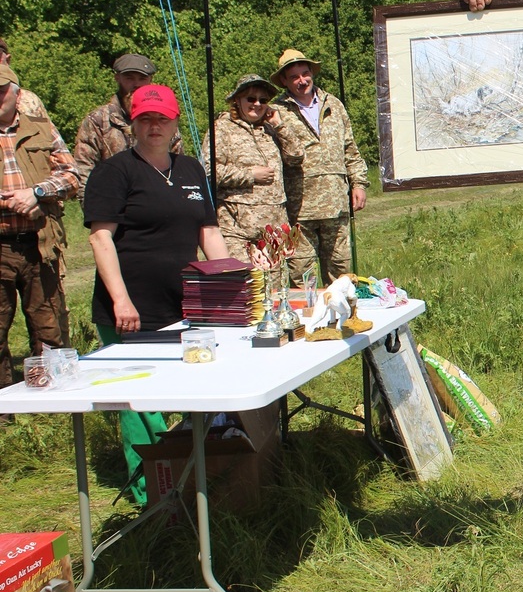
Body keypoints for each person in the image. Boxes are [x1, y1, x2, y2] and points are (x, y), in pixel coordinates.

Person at [83, 83, 229, 505]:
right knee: (139, 403)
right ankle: (151, 492)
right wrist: (120, 300)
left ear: (174, 123)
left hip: (184, 307)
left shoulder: (190, 171)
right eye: (145, 119)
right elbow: (100, 240)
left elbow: (210, 233)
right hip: (131, 310)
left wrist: (227, 286)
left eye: (161, 119)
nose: (153, 127)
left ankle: (196, 475)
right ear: (132, 123)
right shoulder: (114, 172)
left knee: (188, 390)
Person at [0, 63, 79, 384]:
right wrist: (11, 201)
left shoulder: (40, 128)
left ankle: (49, 397)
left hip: (39, 244)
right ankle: (5, 410)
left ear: (17, 94)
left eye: (1, 89)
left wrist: (37, 194)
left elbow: (72, 176)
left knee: (48, 328)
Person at [269, 49, 367, 286]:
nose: (302, 81)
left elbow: (350, 148)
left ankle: (343, 320)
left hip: (336, 203)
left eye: (305, 74)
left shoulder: (333, 104)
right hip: (300, 207)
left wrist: (359, 183)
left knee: (342, 273)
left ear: (312, 73)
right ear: (284, 80)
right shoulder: (276, 111)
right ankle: (307, 321)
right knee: (301, 275)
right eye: (294, 77)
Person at [203, 74, 302, 264]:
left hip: (274, 227)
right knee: (243, 286)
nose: (257, 104)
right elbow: (209, 170)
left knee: (276, 288)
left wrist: (279, 125)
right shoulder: (221, 129)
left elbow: (296, 157)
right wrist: (250, 175)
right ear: (237, 100)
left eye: (263, 100)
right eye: (250, 99)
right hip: (237, 230)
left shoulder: (271, 129)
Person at [72, 53, 183, 199]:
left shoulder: (164, 120)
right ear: (117, 78)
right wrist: (94, 212)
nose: (136, 84)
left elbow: (178, 168)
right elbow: (83, 169)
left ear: (150, 80)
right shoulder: (98, 120)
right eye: (129, 78)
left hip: (158, 205)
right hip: (112, 205)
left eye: (142, 78)